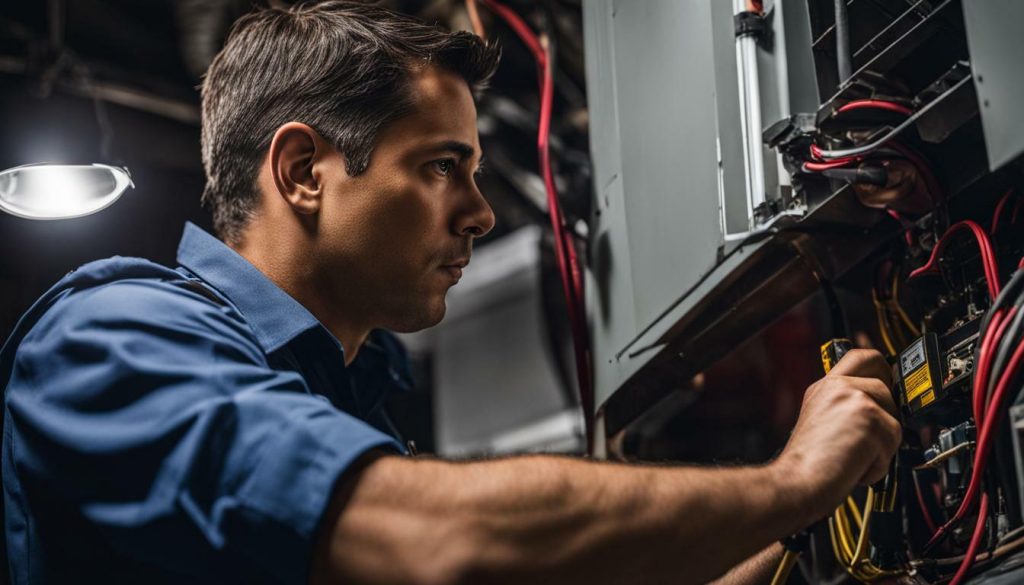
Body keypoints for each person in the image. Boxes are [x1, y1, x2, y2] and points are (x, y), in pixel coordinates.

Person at [0, 2, 901, 584]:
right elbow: (441, 542)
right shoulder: (109, 336)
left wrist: (800, 531)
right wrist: (791, 481)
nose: (478, 212)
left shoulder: (356, 392)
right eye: (442, 167)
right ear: (304, 169)